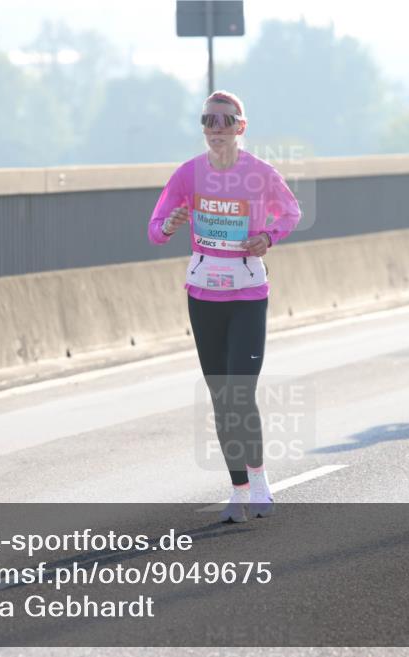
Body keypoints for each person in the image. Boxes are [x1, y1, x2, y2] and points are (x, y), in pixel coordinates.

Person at [148, 90, 302, 522]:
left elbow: (289, 213)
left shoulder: (259, 173)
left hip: (248, 295)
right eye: (208, 121)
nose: (216, 129)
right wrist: (170, 225)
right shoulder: (188, 175)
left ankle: (260, 482)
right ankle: (237, 489)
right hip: (203, 295)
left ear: (241, 127)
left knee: (240, 392)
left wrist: (267, 237)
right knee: (220, 397)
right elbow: (155, 229)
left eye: (225, 121)